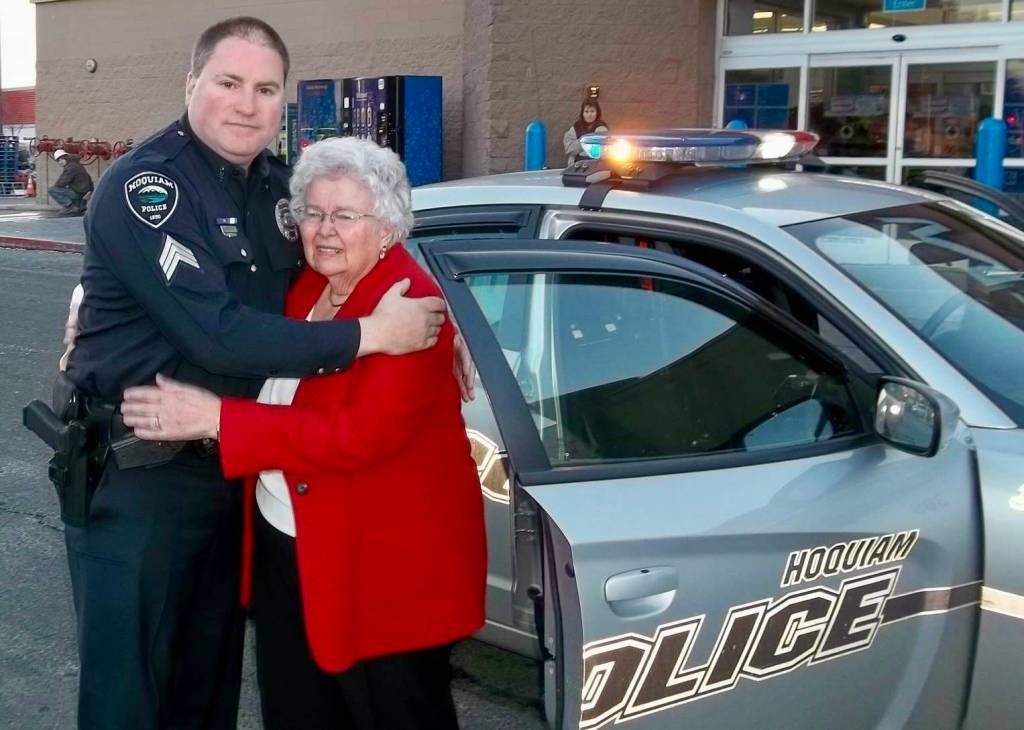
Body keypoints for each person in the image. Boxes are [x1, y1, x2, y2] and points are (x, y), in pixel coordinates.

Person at [58, 17, 467, 730]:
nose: (247, 105)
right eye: (229, 83)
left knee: (207, 691)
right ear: (191, 84)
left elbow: (364, 242)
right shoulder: (146, 186)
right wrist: (374, 335)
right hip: (141, 479)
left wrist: (441, 319)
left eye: (267, 89)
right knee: (131, 698)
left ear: (284, 101)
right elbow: (217, 335)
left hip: (232, 476)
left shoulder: (282, 191)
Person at [121, 137, 486, 729]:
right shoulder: (308, 285)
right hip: (292, 544)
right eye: (312, 213)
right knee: (298, 711)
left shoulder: (411, 305)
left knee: (394, 712)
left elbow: (359, 434)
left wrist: (217, 419)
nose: (324, 231)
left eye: (345, 215)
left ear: (388, 228)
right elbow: (202, 303)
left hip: (382, 567)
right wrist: (87, 305)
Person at [48, 149, 94, 215]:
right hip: (84, 193)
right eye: (58, 161)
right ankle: (79, 206)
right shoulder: (77, 165)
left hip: (79, 193)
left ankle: (70, 207)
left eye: (60, 160)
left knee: (52, 190)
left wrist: (57, 187)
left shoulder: (70, 167)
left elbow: (61, 183)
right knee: (68, 189)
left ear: (64, 159)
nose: (59, 163)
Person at [563, 99, 609, 164]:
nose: (589, 115)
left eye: (592, 111)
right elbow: (569, 149)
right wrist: (584, 141)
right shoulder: (576, 127)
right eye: (586, 112)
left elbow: (602, 152)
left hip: (596, 164)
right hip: (576, 165)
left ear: (597, 113)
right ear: (582, 113)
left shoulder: (602, 129)